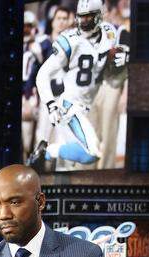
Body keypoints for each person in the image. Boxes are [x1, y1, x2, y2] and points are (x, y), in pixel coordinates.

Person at [28, 0, 129, 169]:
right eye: (81, 17)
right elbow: (42, 74)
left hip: (86, 106)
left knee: (77, 161)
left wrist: (124, 66)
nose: (84, 21)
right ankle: (46, 152)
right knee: (90, 153)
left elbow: (112, 81)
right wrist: (51, 105)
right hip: (70, 105)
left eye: (88, 17)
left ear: (99, 16)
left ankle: (48, 158)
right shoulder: (70, 39)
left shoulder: (109, 34)